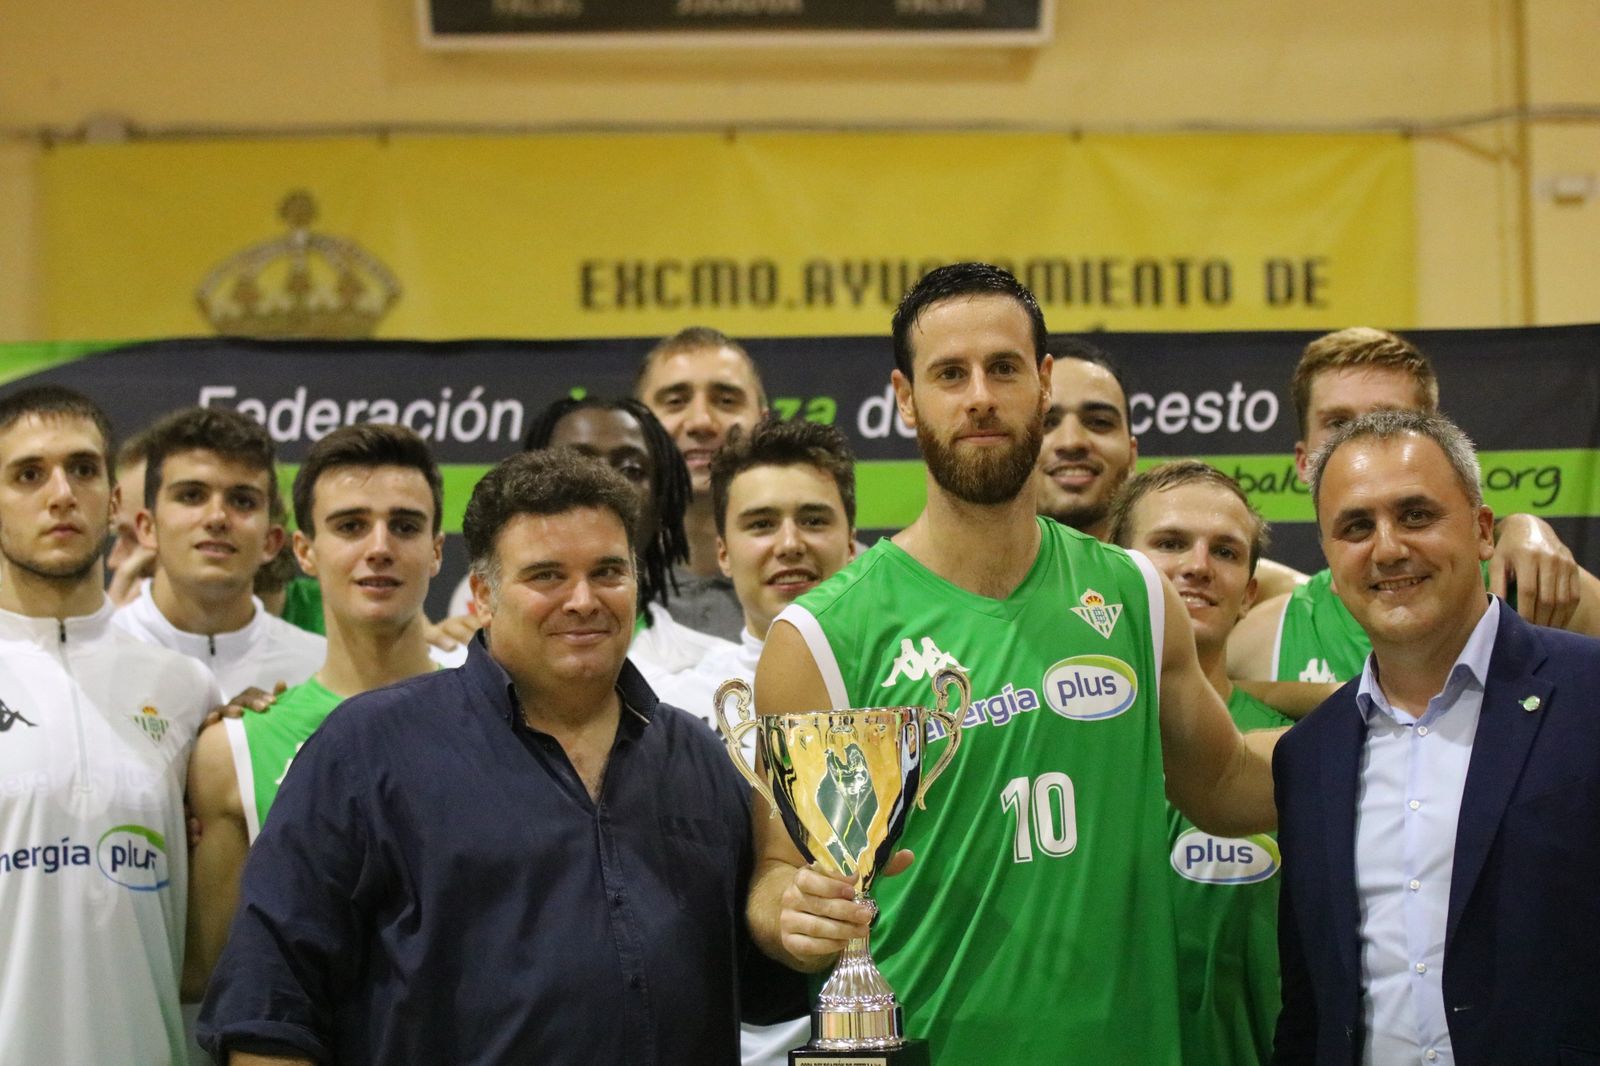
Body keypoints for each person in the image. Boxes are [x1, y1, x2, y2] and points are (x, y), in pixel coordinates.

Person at [749, 263, 1278, 1062]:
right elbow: (776, 873)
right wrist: (792, 914)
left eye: (1002, 368)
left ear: (1043, 381)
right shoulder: (820, 637)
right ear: (904, 397)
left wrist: (1390, 718)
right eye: (949, 374)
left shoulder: (1134, 592)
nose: (980, 397)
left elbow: (1228, 782)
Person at [198, 448, 786, 1064]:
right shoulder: (364, 751)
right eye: (547, 576)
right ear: (482, 594)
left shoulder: (700, 757)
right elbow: (268, 1009)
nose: (583, 600)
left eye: (608, 572)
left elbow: (763, 991)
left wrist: (805, 917)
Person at [1273, 409, 1600, 1062]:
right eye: (1356, 527)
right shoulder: (1307, 758)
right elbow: (1312, 1008)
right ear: (1330, 558)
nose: (1388, 548)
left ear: (1483, 530)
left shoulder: (1589, 693)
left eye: (1416, 515)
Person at [183, 424, 446, 1000]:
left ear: (436, 550)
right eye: (350, 526)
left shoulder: (507, 720)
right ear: (305, 551)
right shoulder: (234, 751)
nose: (379, 546)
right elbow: (217, 985)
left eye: (404, 526)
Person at [0, 385, 221, 1063]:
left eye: (83, 469)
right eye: (28, 474)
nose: (61, 493)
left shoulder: (184, 688)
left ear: (116, 503)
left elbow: (202, 948)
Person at [649, 416, 859, 1066]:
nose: (789, 544)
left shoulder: (911, 696)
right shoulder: (669, 711)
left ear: (854, 541)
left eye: (815, 520)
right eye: (762, 524)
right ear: (722, 552)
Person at [1230, 326, 1600, 682]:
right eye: (1338, 423)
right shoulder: (1263, 641)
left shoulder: (1538, 588)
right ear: (1303, 461)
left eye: (1388, 418)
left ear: (1438, 439)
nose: (1362, 439)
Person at [1108, 461, 1296, 1066]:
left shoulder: (1292, 758)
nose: (1196, 566)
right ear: (1115, 567)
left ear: (1248, 593)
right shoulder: (1051, 744)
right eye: (1169, 543)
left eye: (1225, 551)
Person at [112, 406, 325, 697]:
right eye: (191, 496)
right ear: (147, 528)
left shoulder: (318, 670)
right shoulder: (91, 659)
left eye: (242, 501)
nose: (217, 517)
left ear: (271, 541)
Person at [636, 326, 768, 640]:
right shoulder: (597, 589)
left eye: (725, 400)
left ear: (763, 425)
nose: (700, 422)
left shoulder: (844, 578)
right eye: (675, 401)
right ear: (638, 427)